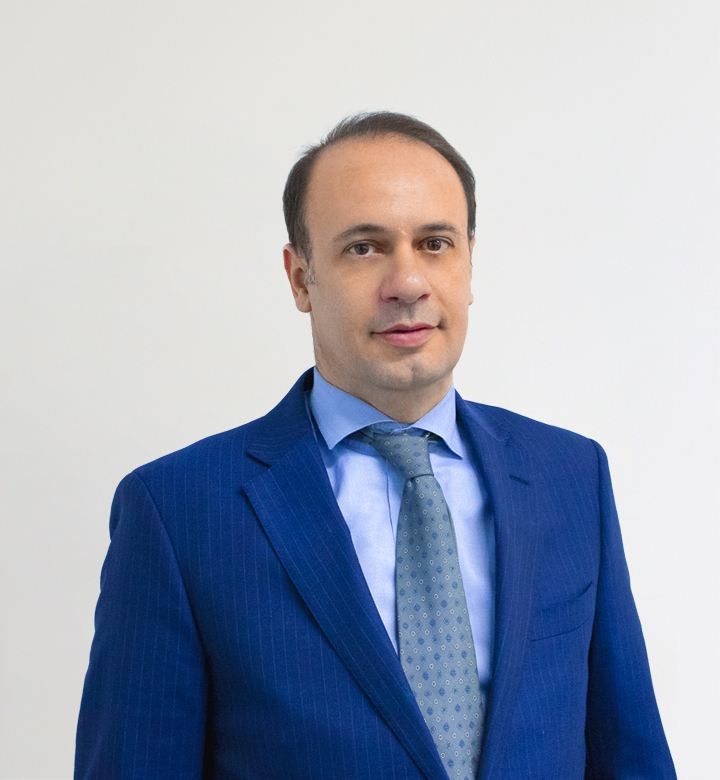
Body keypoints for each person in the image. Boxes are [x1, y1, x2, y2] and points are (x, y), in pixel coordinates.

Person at [75, 112, 676, 780]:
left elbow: (632, 757)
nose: (408, 283)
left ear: (469, 263)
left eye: (436, 243)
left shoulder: (570, 475)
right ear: (300, 278)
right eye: (364, 248)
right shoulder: (178, 512)